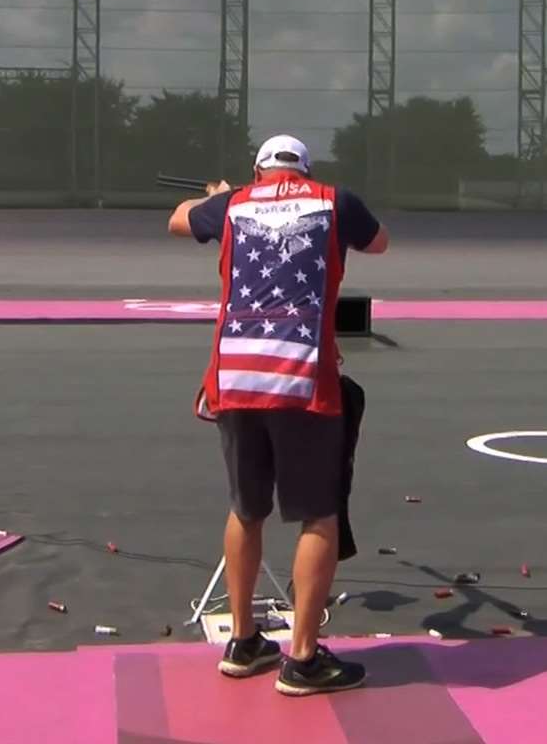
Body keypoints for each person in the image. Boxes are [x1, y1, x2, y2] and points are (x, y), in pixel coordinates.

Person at [167, 133, 388, 697]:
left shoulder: (234, 204)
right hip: (302, 377)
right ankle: (304, 658)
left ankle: (243, 642)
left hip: (235, 376)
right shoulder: (335, 200)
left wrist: (224, 196)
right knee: (318, 515)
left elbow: (177, 220)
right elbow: (379, 242)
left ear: (257, 169)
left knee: (246, 509)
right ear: (307, 169)